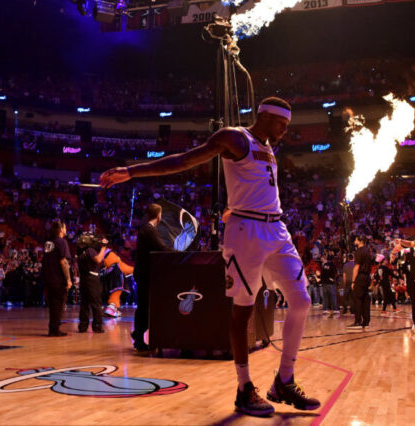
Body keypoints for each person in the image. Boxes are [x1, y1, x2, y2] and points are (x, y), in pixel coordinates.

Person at [100, 97, 319, 417]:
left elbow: (258, 186)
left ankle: (284, 380)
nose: (285, 132)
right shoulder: (235, 137)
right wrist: (132, 171)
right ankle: (245, 388)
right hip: (246, 233)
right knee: (242, 311)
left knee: (301, 300)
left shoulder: (268, 145)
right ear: (265, 116)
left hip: (276, 229)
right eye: (281, 125)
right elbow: (185, 160)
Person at [131, 203, 170, 351]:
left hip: (143, 273)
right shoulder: (149, 230)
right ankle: (139, 337)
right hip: (144, 274)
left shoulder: (147, 229)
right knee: (144, 307)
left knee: (145, 306)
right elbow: (161, 248)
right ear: (159, 215)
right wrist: (176, 252)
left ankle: (138, 334)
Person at [42, 220, 72, 337]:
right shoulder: (62, 242)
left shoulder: (48, 242)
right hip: (58, 279)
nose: (66, 229)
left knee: (52, 305)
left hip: (48, 277)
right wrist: (68, 279)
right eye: (65, 227)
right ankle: (55, 330)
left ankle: (52, 328)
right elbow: (63, 261)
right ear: (61, 230)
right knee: (58, 305)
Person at [77, 234, 109, 333]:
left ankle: (83, 326)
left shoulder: (81, 251)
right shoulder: (90, 250)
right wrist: (104, 247)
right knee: (96, 303)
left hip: (84, 279)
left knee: (84, 304)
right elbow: (98, 259)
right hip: (92, 279)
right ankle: (97, 326)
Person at [347, 236, 372, 331]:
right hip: (367, 277)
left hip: (360, 277)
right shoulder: (368, 250)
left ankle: (358, 321)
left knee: (357, 299)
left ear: (360, 241)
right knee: (365, 299)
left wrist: (353, 281)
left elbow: (356, 267)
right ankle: (366, 321)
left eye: (356, 239)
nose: (354, 241)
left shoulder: (359, 251)